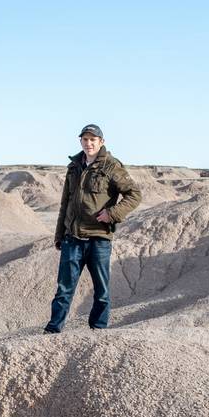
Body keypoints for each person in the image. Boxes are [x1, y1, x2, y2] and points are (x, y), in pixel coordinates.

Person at [45, 123, 141, 332]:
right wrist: (59, 234)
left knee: (101, 290)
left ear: (101, 142)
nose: (88, 143)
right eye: (85, 139)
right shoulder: (74, 167)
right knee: (64, 289)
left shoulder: (111, 166)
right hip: (73, 239)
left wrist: (112, 214)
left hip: (99, 239)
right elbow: (65, 203)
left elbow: (134, 194)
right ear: (80, 141)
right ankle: (53, 330)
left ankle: (98, 330)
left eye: (93, 140)